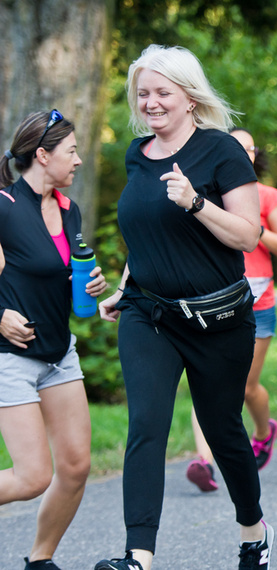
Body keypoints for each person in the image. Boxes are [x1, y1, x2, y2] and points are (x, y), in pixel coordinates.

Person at [95, 45, 271, 570]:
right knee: (146, 426)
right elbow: (145, 234)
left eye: (162, 92)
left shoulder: (221, 152)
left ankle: (253, 531)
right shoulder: (136, 153)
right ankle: (138, 556)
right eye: (143, 93)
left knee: (222, 430)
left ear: (189, 97)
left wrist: (197, 202)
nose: (151, 102)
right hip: (149, 315)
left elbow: (248, 235)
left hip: (217, 319)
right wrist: (125, 285)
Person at [0, 110, 108, 570]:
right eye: (71, 152)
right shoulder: (4, 206)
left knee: (76, 468)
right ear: (42, 156)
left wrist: (91, 284)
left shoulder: (69, 209)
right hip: (12, 358)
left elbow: (57, 274)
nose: (79, 160)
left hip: (59, 355)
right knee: (31, 477)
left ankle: (39, 560)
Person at [186, 128, 277, 492]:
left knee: (245, 387)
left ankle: (264, 430)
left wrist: (250, 227)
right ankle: (204, 461)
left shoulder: (265, 195)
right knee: (207, 382)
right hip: (211, 300)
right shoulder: (202, 194)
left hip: (256, 303)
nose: (238, 153)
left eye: (245, 147)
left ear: (254, 154)